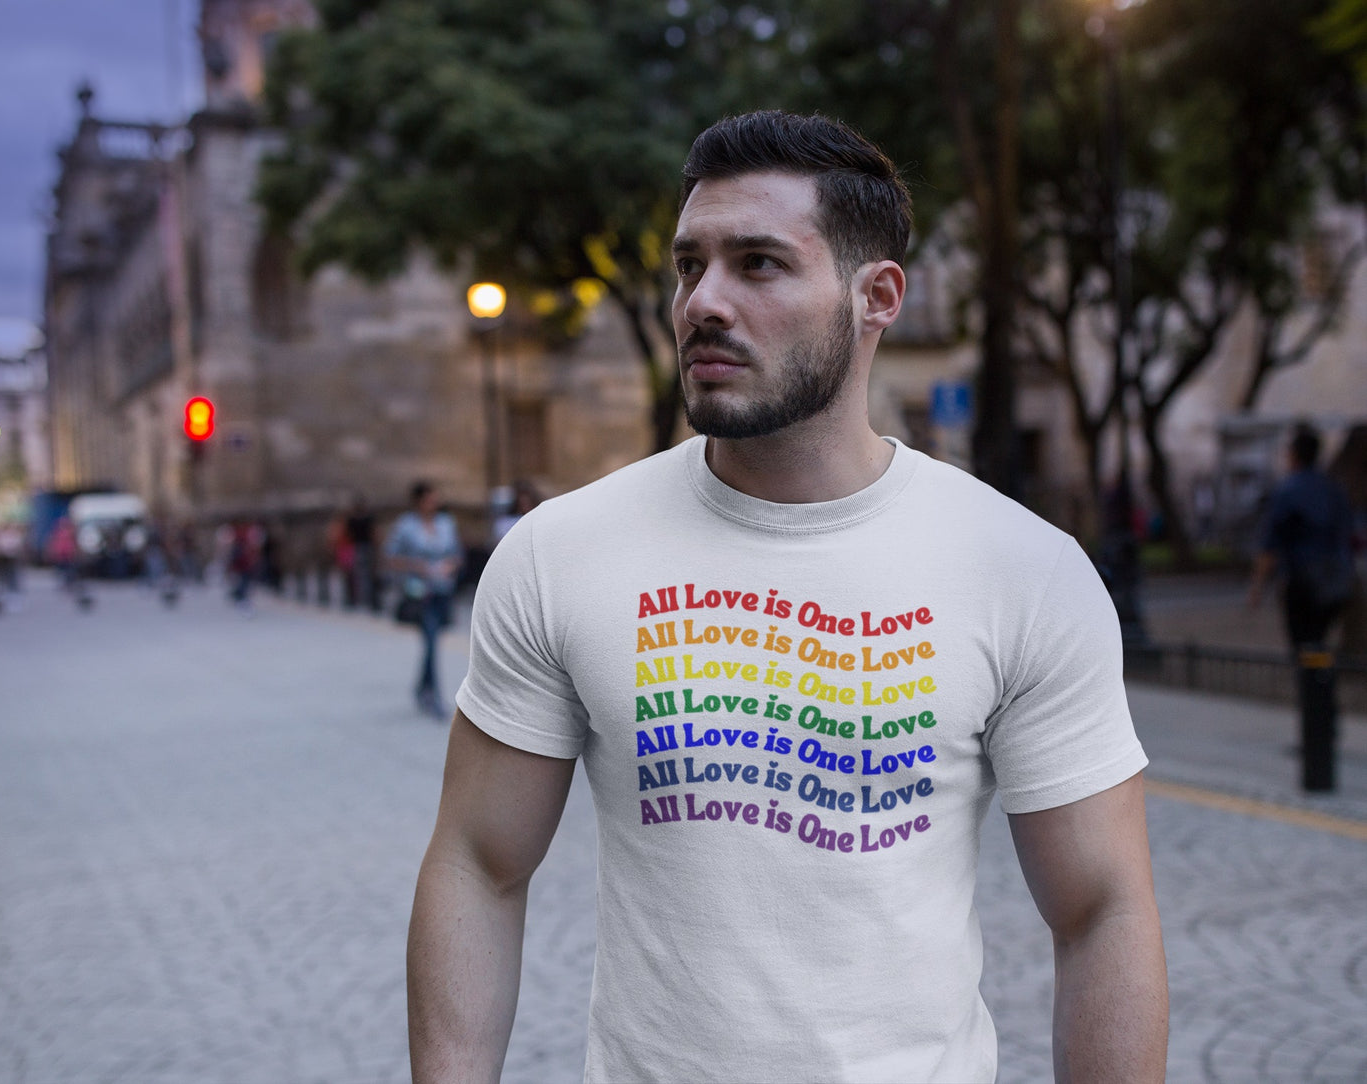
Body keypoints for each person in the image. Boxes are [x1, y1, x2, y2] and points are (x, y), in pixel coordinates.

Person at [408, 111, 1167, 1082]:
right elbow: (479, 861)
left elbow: (1099, 907)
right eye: (689, 265)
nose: (701, 302)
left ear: (875, 297)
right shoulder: (563, 552)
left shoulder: (1020, 567)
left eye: (757, 264)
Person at [1248, 422, 1357, 790]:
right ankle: (1325, 724)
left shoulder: (1289, 490)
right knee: (1321, 653)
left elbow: (1270, 545)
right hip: (1337, 584)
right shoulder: (1333, 489)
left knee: (1306, 654)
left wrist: (1257, 589)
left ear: (1294, 454)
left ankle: (1316, 731)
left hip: (1304, 586)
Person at [387, 482, 463, 719]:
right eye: (429, 499)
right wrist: (417, 566)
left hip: (443, 589)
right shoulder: (406, 526)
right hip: (420, 591)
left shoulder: (446, 523)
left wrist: (450, 565)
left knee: (433, 640)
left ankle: (421, 687)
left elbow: (458, 553)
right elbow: (391, 556)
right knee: (430, 641)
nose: (433, 503)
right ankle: (434, 695)